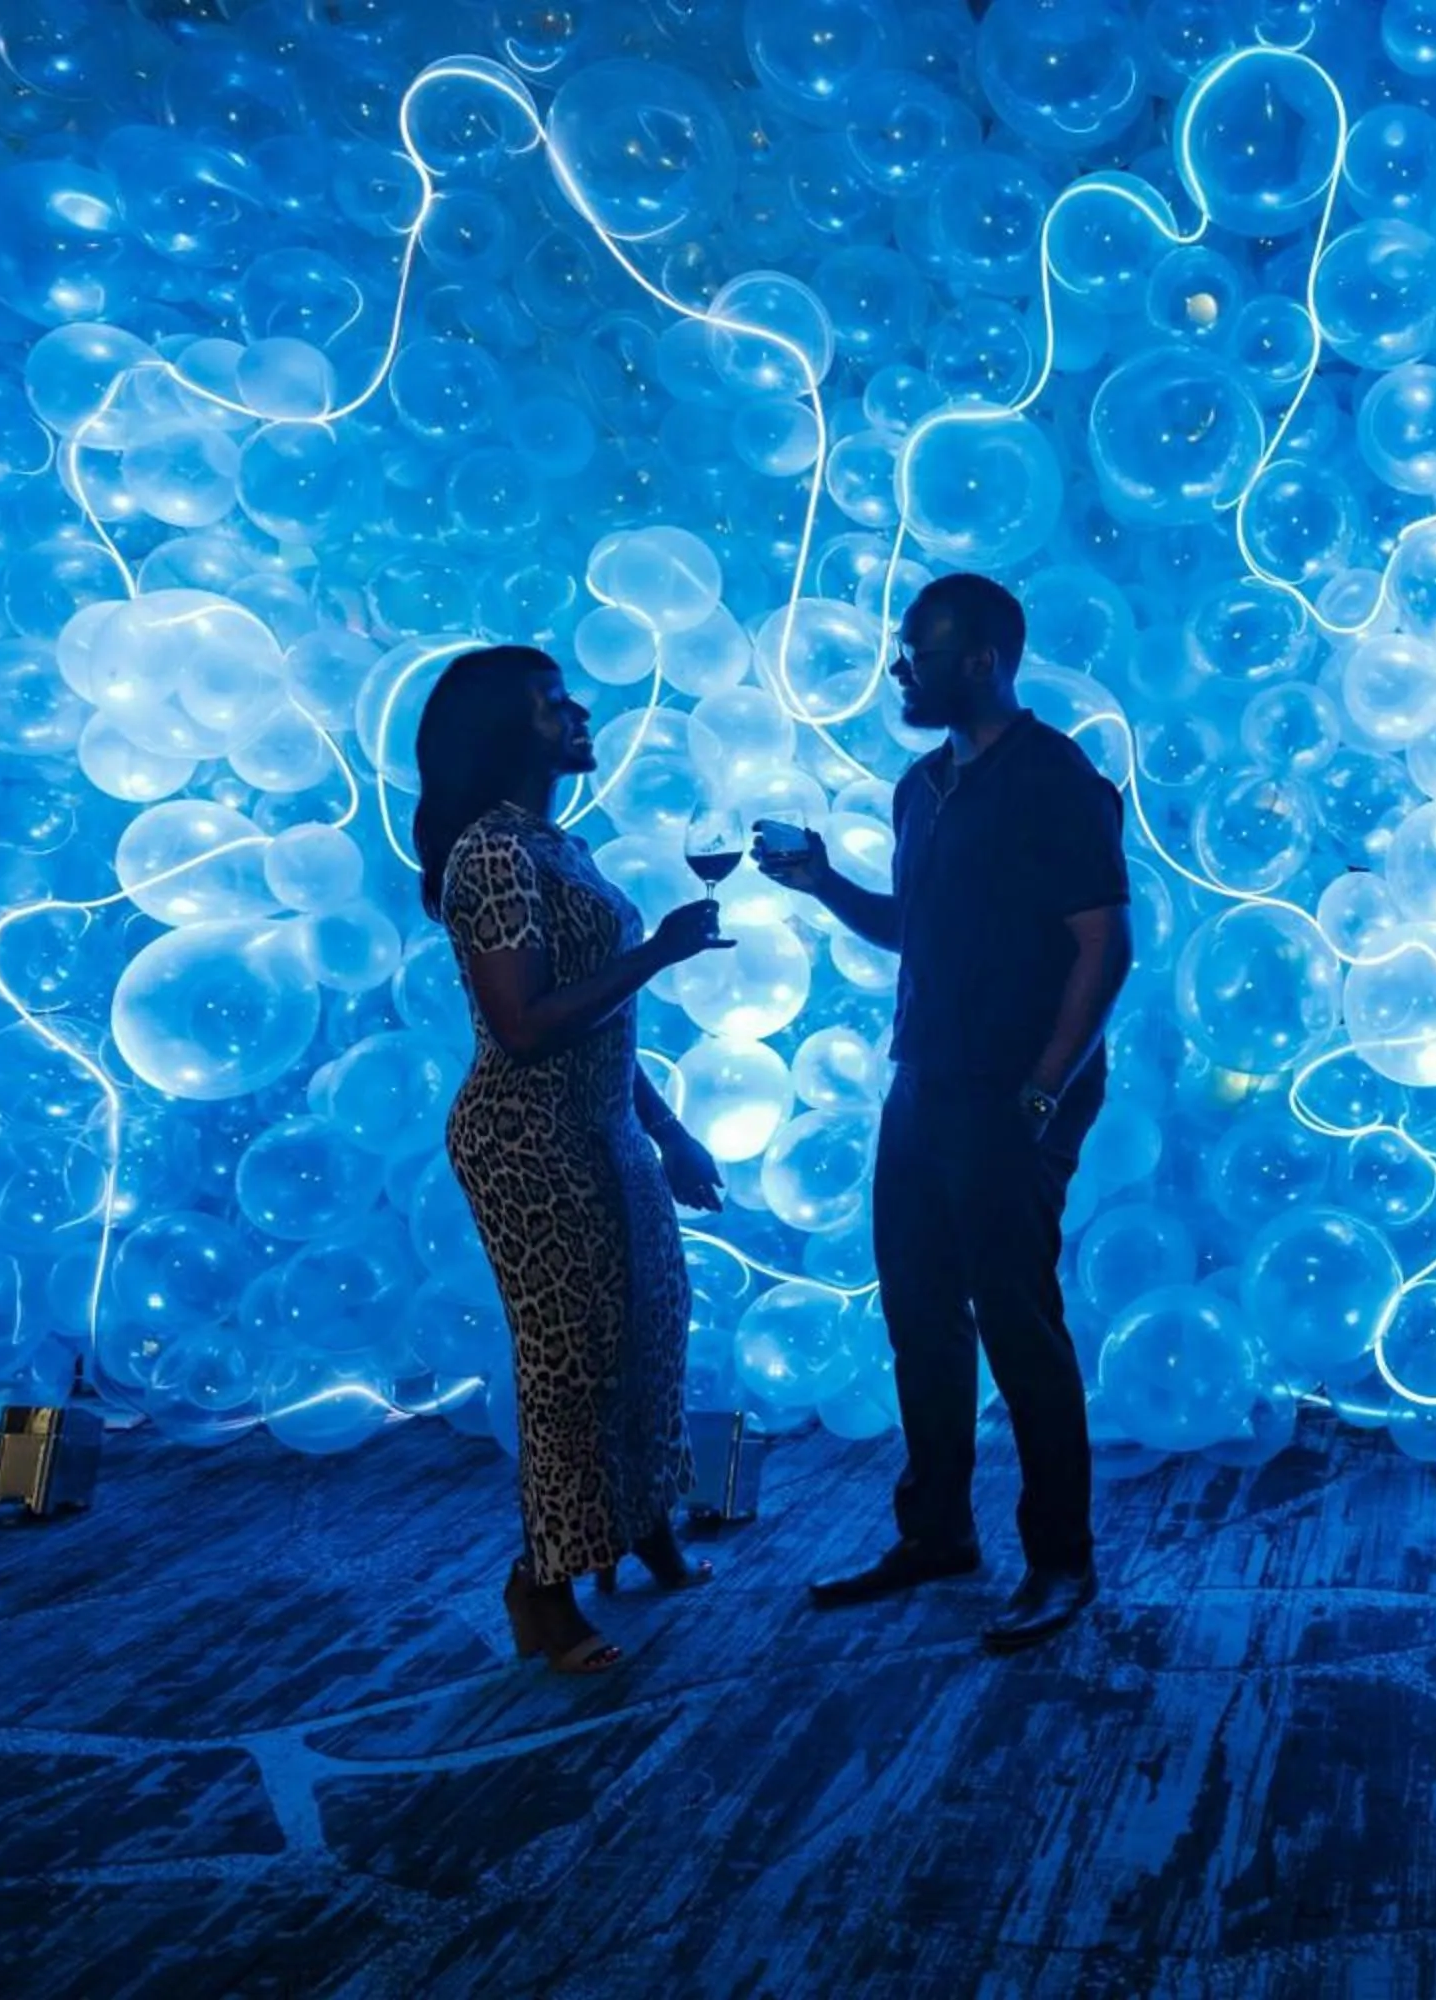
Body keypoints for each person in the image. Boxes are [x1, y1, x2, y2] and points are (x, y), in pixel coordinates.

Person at [763, 572, 1133, 1654]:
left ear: (982, 660)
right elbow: (911, 931)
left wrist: (1043, 1089)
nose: (898, 671)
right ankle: (937, 1533)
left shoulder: (1055, 778)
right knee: (920, 1310)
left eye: (916, 654)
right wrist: (822, 882)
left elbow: (1105, 946)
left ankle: (1061, 1560)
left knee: (1016, 1319)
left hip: (1012, 1093)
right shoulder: (920, 787)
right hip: (922, 1080)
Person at [414, 644, 732, 1677]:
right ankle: (541, 1588)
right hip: (528, 1138)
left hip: (605, 1127)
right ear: (506, 733)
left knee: (652, 1326)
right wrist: (661, 951)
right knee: (571, 1363)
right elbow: (523, 1027)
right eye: (553, 703)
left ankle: (642, 1524)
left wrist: (666, 1131)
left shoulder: (557, 844)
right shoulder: (492, 855)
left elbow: (605, 1022)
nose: (579, 712)